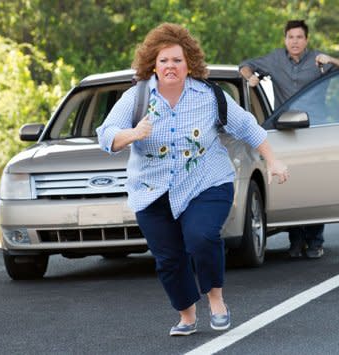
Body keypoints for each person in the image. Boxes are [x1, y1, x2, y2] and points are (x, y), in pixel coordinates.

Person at [96, 23, 289, 336]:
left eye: (177, 60)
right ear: (152, 66)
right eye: (164, 61)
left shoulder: (210, 96)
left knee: (201, 237)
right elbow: (106, 135)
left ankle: (216, 299)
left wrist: (274, 160)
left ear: (189, 65)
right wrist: (133, 133)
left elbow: (247, 126)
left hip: (207, 181)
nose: (170, 66)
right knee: (168, 258)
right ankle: (187, 315)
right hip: (152, 190)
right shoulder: (136, 98)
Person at [239, 19, 339, 259]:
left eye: (299, 37)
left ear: (306, 40)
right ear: (285, 39)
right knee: (290, 184)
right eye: (291, 37)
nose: (295, 42)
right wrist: (250, 78)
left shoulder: (317, 59)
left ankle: (315, 241)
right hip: (286, 133)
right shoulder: (276, 59)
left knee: (315, 186)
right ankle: (296, 240)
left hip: (314, 131)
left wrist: (329, 60)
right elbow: (245, 66)